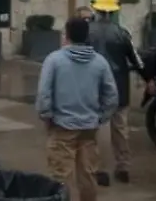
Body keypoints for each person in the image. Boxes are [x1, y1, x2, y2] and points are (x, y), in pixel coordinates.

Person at [36, 16, 118, 201]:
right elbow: (112, 96)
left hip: (61, 127)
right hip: (89, 128)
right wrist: (100, 118)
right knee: (88, 175)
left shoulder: (54, 60)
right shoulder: (100, 62)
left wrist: (47, 116)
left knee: (61, 177)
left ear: (67, 35)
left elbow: (43, 94)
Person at [87, 0, 144, 186]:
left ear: (95, 8)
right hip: (119, 88)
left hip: (93, 90)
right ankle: (123, 168)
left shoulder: (86, 31)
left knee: (97, 131)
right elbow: (137, 61)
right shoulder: (122, 33)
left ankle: (98, 169)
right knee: (120, 129)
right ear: (113, 12)